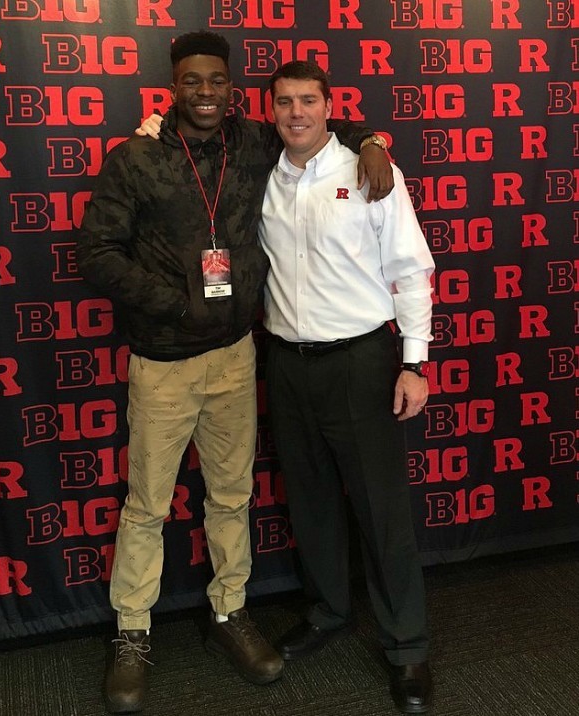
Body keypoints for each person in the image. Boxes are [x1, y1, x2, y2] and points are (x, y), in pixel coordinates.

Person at [77, 32, 393, 714]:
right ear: (174, 86)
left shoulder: (254, 143)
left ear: (231, 87)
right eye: (193, 82)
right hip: (162, 363)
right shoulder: (135, 157)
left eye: (217, 82)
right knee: (148, 507)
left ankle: (230, 612)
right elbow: (96, 253)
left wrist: (372, 141)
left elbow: (320, 122)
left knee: (230, 498)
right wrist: (175, 303)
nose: (206, 94)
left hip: (236, 357)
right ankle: (132, 632)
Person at [258, 61, 435, 714]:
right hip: (285, 362)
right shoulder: (261, 174)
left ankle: (407, 646)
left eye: (308, 100)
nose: (296, 112)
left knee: (381, 511)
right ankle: (329, 612)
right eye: (284, 102)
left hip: (361, 363)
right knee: (309, 502)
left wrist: (413, 362)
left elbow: (412, 269)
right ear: (270, 109)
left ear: (331, 107)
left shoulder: (370, 170)